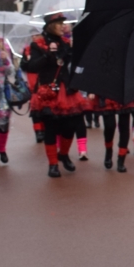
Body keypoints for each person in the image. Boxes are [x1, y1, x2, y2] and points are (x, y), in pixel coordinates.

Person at [24, 13, 87, 178]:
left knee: (70, 126)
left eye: (63, 23)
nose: (63, 26)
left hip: (67, 91)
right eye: (59, 24)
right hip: (48, 90)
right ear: (51, 26)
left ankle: (64, 154)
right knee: (51, 129)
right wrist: (47, 54)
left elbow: (73, 63)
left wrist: (73, 50)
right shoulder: (38, 44)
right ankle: (53, 164)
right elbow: (31, 67)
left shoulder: (65, 42)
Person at [96, 96, 134, 171]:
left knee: (124, 127)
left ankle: (121, 159)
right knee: (109, 126)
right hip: (107, 94)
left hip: (124, 95)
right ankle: (108, 150)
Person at [0, 35, 15, 166]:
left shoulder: (1, 47)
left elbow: (11, 71)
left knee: (3, 122)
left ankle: (2, 149)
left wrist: (5, 60)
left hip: (1, 91)